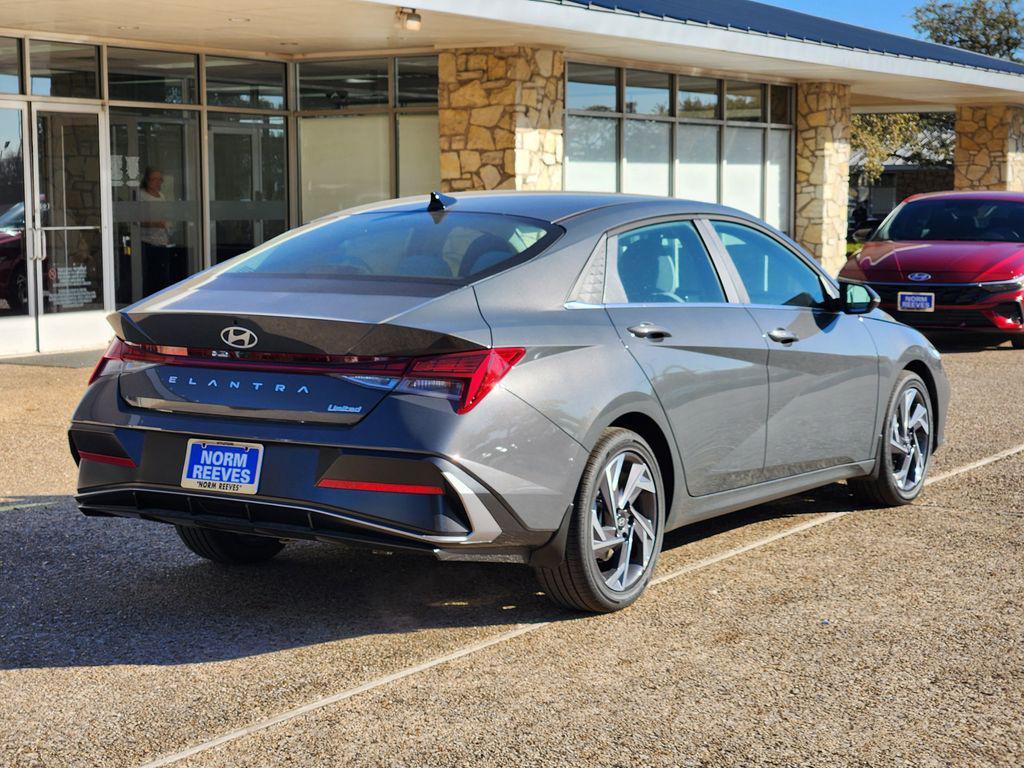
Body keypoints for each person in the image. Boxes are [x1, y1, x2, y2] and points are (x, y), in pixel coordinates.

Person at [138, 167, 179, 295]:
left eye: (160, 179)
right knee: (150, 275)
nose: (158, 182)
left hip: (162, 240)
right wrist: (156, 224)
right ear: (147, 180)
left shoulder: (161, 196)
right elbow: (137, 221)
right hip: (147, 241)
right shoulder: (141, 195)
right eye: (155, 179)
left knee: (162, 275)